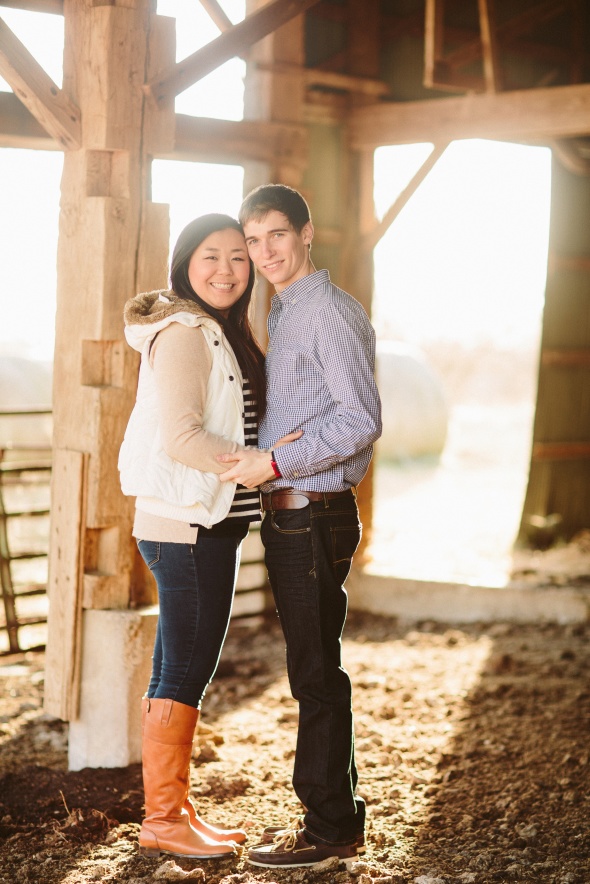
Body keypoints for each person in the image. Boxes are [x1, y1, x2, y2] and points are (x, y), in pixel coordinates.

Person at [118, 213, 300, 860]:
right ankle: (163, 819)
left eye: (238, 258)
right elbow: (182, 438)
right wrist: (255, 465)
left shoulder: (224, 332)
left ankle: (174, 810)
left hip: (207, 525)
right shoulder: (188, 334)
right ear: (185, 265)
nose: (226, 270)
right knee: (185, 670)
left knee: (182, 667)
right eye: (210, 257)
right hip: (188, 526)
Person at [216, 185, 382, 869]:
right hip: (295, 513)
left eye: (275, 236)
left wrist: (275, 460)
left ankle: (328, 830)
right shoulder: (285, 310)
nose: (264, 253)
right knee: (314, 670)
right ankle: (335, 815)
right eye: (253, 241)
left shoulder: (327, 315)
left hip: (310, 511)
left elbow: (359, 420)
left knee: (314, 676)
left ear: (306, 233)